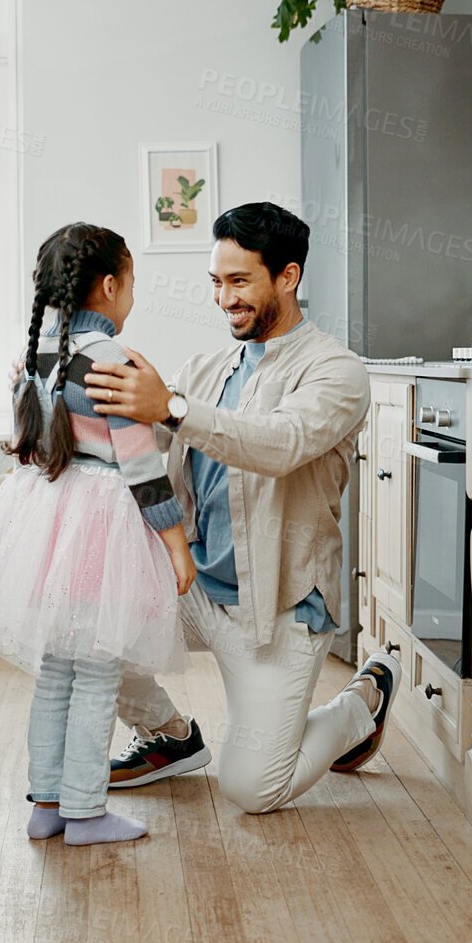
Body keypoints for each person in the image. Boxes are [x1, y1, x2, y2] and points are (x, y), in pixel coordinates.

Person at [82, 201, 401, 815]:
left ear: (288, 276)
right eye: (217, 282)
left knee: (253, 789)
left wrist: (170, 408)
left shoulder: (337, 370)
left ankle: (360, 704)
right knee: (83, 627)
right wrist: (48, 382)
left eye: (239, 281)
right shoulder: (204, 369)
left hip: (276, 608)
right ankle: (169, 738)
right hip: (196, 586)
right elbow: (138, 442)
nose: (224, 298)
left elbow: (278, 445)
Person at [0, 222, 196, 846]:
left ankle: (46, 804)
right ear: (108, 285)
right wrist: (177, 546)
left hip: (47, 514)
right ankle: (86, 811)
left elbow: (32, 443)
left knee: (55, 671)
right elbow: (141, 465)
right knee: (97, 669)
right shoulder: (112, 363)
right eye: (131, 285)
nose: (132, 298)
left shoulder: (37, 353)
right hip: (102, 519)